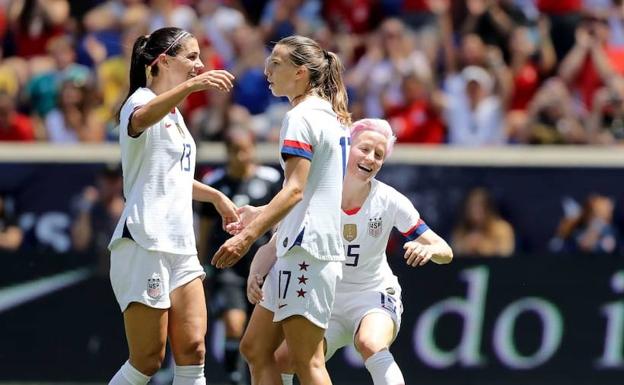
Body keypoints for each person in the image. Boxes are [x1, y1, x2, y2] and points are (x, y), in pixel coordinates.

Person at [245, 118, 454, 385]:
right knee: (286, 359)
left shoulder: (390, 200)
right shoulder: (317, 193)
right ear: (346, 148)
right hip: (325, 298)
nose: (370, 158)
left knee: (370, 343)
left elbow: (444, 250)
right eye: (364, 149)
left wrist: (428, 250)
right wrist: (256, 272)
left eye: (379, 155)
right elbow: (277, 244)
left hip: (371, 295)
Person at [211, 35, 351, 385]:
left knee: (308, 362)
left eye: (276, 63)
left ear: (301, 73)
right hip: (301, 247)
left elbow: (294, 191)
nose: (266, 70)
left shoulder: (300, 117)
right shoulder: (327, 117)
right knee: (256, 349)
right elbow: (308, 193)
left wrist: (246, 238)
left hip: (308, 251)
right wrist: (258, 213)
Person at [106, 27, 238, 385]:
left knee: (194, 350)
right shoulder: (140, 100)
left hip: (180, 245)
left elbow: (172, 176)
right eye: (191, 57)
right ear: (163, 62)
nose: (199, 65)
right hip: (144, 242)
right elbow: (140, 119)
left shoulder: (176, 116)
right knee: (147, 360)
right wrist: (192, 87)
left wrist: (216, 196)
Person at [197, 127, 282, 385]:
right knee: (235, 325)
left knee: (263, 337)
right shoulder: (215, 184)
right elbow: (204, 228)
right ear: (227, 152)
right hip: (228, 266)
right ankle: (235, 377)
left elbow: (281, 219)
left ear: (253, 148)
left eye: (245, 149)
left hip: (263, 265)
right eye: (235, 151)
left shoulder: (271, 178)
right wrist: (201, 263)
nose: (241, 156)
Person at [451, 187, 515, 257]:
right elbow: (453, 253)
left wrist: (484, 247)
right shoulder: (461, 230)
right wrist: (466, 246)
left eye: (480, 205)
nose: (475, 211)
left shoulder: (502, 228)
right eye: (472, 206)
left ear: (488, 208)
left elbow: (506, 253)